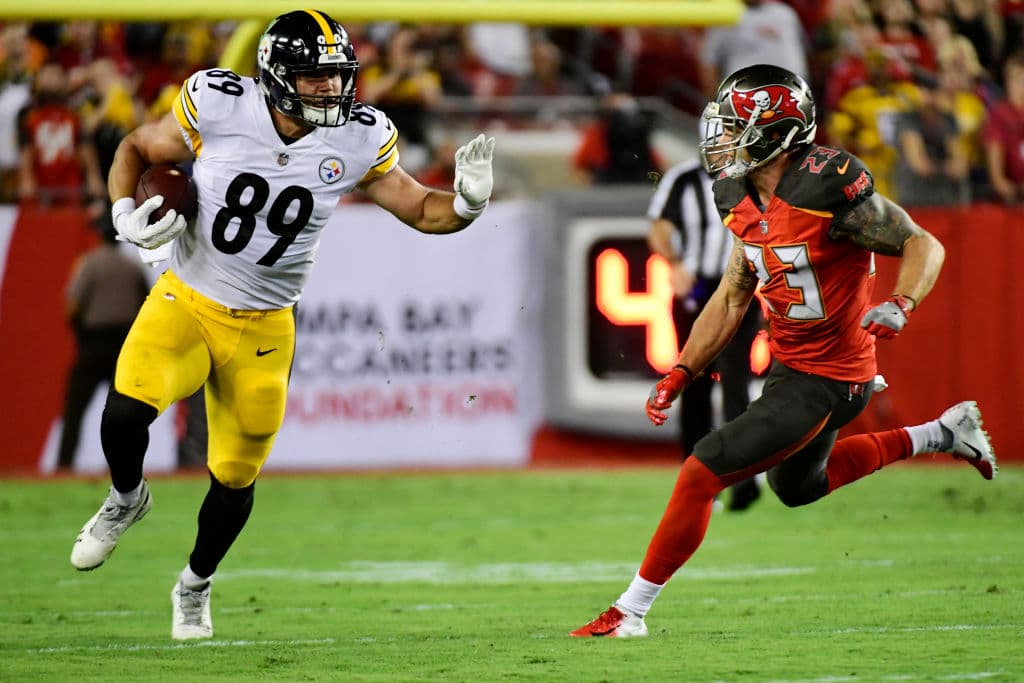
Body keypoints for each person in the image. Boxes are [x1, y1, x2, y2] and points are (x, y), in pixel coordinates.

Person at [69, 9, 495, 641]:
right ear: (274, 74)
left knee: (235, 478)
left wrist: (466, 203)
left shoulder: (358, 137)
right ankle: (127, 498)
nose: (331, 88)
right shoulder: (218, 104)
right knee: (125, 414)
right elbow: (134, 147)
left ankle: (195, 584)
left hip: (266, 327)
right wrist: (123, 211)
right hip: (188, 299)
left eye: (337, 75)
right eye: (315, 76)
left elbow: (421, 210)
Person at [570, 64, 997, 638]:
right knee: (797, 488)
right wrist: (682, 370)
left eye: (735, 124)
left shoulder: (828, 185)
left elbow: (923, 242)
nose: (722, 135)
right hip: (791, 365)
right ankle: (941, 433)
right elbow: (732, 294)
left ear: (775, 131)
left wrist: (902, 302)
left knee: (701, 471)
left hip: (832, 376)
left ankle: (630, 611)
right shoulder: (735, 193)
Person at [646, 157, 763, 511]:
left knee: (736, 382)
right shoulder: (682, 178)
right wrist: (674, 263)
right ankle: (697, 478)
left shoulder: (756, 173)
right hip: (698, 290)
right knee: (693, 380)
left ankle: (742, 475)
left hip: (742, 287)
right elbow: (658, 227)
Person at [56, 223, 149, 471]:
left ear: (98, 235)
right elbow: (147, 307)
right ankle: (125, 469)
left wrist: (78, 330)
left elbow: (72, 307)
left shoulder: (90, 263)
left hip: (93, 344)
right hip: (124, 346)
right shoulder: (132, 267)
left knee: (74, 410)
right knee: (124, 412)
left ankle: (64, 467)